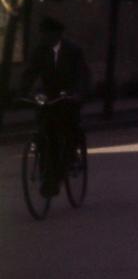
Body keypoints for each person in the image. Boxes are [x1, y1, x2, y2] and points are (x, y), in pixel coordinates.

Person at [20, 15, 91, 197]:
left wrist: (78, 94)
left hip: (68, 97)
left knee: (68, 130)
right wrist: (22, 92)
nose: (45, 38)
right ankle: (46, 170)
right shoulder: (40, 51)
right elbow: (30, 73)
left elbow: (83, 75)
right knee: (44, 131)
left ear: (58, 35)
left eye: (48, 34)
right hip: (49, 97)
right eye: (43, 34)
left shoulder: (73, 51)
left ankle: (65, 164)